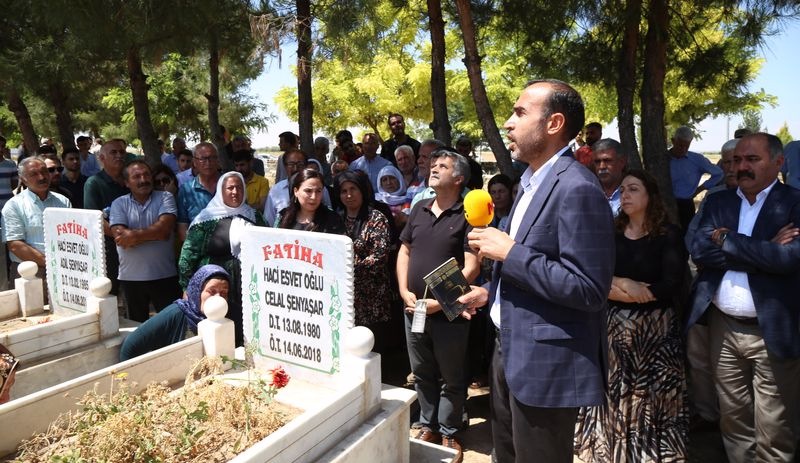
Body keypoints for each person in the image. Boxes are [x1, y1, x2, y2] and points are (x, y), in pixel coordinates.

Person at [457, 79, 615, 463]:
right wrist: (489, 294)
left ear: (554, 123)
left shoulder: (578, 188)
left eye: (520, 112)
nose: (508, 123)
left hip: (546, 364)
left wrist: (510, 253)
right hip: (506, 350)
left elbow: (588, 288)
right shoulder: (528, 185)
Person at [686, 132, 800, 462]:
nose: (741, 167)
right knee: (733, 417)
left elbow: (787, 260)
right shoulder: (719, 201)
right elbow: (699, 250)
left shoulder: (793, 203)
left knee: (775, 424)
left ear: (778, 163)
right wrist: (763, 248)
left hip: (771, 330)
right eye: (737, 160)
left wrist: (728, 241)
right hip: (723, 328)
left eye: (752, 159)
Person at [574, 169, 689, 462]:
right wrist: (625, 286)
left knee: (649, 396)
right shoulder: (611, 233)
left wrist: (633, 290)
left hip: (655, 332)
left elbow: (672, 283)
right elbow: (595, 276)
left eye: (633, 189)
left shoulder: (668, 234)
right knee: (616, 390)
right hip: (614, 328)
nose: (625, 195)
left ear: (650, 196)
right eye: (622, 190)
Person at [397, 148, 479, 461]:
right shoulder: (418, 209)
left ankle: (450, 431)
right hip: (413, 309)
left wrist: (439, 302)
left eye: (442, 165)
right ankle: (426, 423)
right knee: (422, 371)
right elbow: (404, 251)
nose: (434, 168)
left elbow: (471, 266)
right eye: (434, 164)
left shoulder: (466, 216)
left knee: (452, 375)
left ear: (458, 178)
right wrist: (404, 289)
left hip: (449, 311)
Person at [179, 172, 265, 347]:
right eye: (230, 188)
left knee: (247, 325)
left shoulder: (255, 217)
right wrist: (186, 287)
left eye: (239, 187)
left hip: (249, 285)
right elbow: (188, 257)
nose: (235, 192)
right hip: (216, 286)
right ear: (221, 190)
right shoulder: (206, 220)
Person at [110, 161, 180, 323]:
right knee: (135, 328)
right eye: (136, 177)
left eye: (146, 175)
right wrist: (152, 233)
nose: (143, 180)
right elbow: (121, 238)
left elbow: (164, 231)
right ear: (127, 183)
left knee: (170, 326)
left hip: (164, 276)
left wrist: (133, 236)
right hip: (131, 279)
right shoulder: (119, 203)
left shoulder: (165, 198)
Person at [119, 265, 230, 361]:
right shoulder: (176, 313)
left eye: (224, 292)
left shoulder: (228, 314)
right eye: (211, 291)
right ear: (198, 290)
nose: (218, 297)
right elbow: (131, 345)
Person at [335, 171, 392, 351]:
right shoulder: (336, 218)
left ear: (363, 190)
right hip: (345, 293)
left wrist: (348, 269)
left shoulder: (376, 218)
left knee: (370, 347)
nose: (349, 195)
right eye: (344, 191)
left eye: (353, 189)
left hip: (371, 296)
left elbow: (379, 257)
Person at [2, 157, 71, 286]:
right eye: (34, 174)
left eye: (44, 171)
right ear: (23, 179)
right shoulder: (14, 206)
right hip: (28, 273)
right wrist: (50, 263)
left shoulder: (63, 201)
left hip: (63, 271)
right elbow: (15, 245)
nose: (41, 177)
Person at [84, 139, 130, 296]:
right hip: (110, 250)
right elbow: (95, 219)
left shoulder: (131, 181)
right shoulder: (94, 183)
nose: (119, 155)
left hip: (136, 248)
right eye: (113, 152)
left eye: (122, 152)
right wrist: (124, 238)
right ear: (102, 158)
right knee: (111, 295)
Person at [667, 126, 723, 232]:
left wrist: (700, 189)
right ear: (673, 141)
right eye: (680, 145)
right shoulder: (663, 159)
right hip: (665, 204)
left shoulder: (696, 159)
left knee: (685, 235)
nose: (683, 149)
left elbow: (719, 173)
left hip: (686, 205)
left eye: (686, 146)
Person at [264, 150, 331, 226]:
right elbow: (269, 220)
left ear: (306, 166)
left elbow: (328, 209)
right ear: (285, 166)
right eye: (291, 164)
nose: (295, 168)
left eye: (300, 164)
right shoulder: (276, 190)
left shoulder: (319, 188)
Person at [277, 169, 345, 234]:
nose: (314, 197)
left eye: (318, 191)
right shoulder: (283, 216)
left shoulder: (333, 219)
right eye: (308, 191)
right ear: (296, 191)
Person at [177, 142, 220, 241]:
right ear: (194, 162)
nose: (208, 163)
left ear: (218, 160)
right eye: (202, 159)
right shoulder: (186, 190)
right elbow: (182, 225)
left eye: (212, 158)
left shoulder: (230, 185)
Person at [591, 138, 628, 217]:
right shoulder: (588, 193)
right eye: (597, 162)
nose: (602, 167)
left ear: (622, 162)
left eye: (607, 161)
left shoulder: (635, 193)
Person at [374, 165, 408, 231]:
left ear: (399, 179)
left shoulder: (408, 198)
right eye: (384, 180)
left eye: (392, 178)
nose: (389, 182)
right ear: (380, 183)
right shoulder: (376, 200)